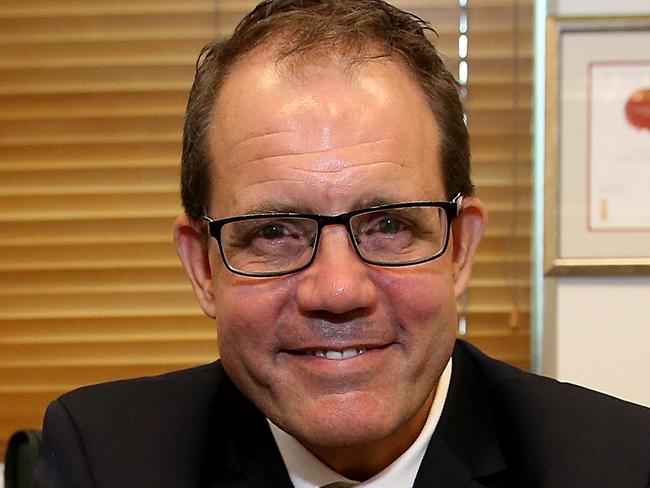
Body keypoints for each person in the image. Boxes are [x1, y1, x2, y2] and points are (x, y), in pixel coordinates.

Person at [35, 1, 650, 487]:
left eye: (389, 225)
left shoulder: (618, 465)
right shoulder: (105, 458)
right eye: (273, 232)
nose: (337, 290)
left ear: (459, 249)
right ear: (202, 267)